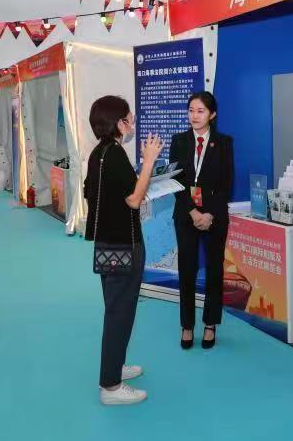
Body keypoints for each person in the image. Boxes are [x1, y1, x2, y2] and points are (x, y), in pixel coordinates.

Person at [83, 95, 163, 406]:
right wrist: (149, 161)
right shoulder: (114, 154)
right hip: (122, 244)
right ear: (119, 123)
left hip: (109, 242)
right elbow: (134, 199)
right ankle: (111, 385)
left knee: (118, 308)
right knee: (120, 312)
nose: (132, 123)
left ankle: (114, 366)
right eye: (129, 118)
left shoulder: (99, 153)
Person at [169, 92, 234, 350]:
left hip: (214, 216)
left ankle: (210, 324)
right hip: (186, 215)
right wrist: (193, 212)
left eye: (200, 111)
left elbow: (226, 184)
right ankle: (187, 325)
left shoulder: (224, 143)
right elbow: (175, 181)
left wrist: (209, 215)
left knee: (214, 270)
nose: (194, 116)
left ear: (212, 114)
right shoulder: (179, 141)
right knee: (187, 269)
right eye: (191, 110)